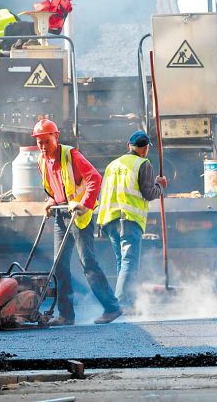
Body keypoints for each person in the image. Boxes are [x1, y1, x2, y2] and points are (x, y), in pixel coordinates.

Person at [32, 118, 122, 326]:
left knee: (87, 262)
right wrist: (51, 201)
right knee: (59, 265)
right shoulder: (42, 161)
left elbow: (94, 179)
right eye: (39, 142)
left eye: (46, 141)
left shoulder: (71, 155)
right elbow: (54, 188)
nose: (43, 146)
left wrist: (84, 204)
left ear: (56, 137)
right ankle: (66, 315)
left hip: (79, 216)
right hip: (61, 215)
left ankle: (112, 308)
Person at [97, 130, 166, 312]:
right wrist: (160, 185)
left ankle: (129, 302)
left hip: (110, 219)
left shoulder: (113, 165)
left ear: (128, 146)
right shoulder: (143, 164)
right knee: (129, 262)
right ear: (145, 149)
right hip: (129, 219)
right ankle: (119, 304)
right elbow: (149, 193)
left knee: (122, 261)